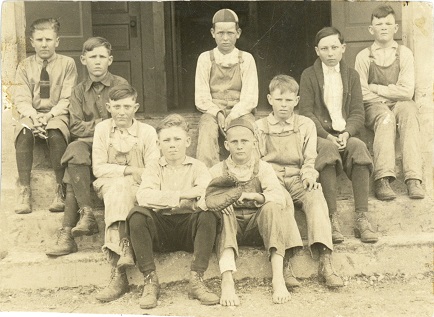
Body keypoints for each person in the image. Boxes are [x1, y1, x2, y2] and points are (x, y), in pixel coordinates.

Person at [256, 75, 343, 288]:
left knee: (315, 195)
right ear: (269, 99)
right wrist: (270, 183)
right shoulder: (259, 126)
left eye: (288, 100)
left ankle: (325, 260)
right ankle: (285, 262)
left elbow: (309, 158)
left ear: (296, 100)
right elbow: (257, 162)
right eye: (279, 100)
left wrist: (309, 177)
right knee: (281, 202)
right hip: (272, 178)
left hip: (297, 175)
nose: (283, 105)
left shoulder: (305, 124)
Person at [126, 114, 220, 309]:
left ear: (187, 141)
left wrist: (164, 198)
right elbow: (144, 197)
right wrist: (183, 195)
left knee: (208, 213)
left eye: (177, 139)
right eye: (166, 140)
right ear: (158, 143)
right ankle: (150, 280)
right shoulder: (153, 167)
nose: (172, 145)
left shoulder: (198, 167)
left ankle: (197, 279)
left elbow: (205, 195)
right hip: (162, 230)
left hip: (189, 229)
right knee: (137, 214)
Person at [46, 37, 128, 256]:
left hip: (115, 146)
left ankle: (67, 233)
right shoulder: (79, 91)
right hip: (89, 146)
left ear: (110, 60)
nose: (97, 62)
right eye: (93, 57)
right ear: (83, 60)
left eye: (102, 57)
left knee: (72, 176)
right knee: (74, 150)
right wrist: (102, 124)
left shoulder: (120, 85)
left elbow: (123, 119)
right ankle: (87, 214)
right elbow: (75, 127)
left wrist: (97, 126)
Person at [209, 118, 302, 305]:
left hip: (257, 229)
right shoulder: (217, 170)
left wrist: (255, 196)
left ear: (254, 142)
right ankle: (227, 281)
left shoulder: (263, 168)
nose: (240, 146)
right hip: (231, 230)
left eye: (244, 141)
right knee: (223, 211)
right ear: (226, 145)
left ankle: (278, 278)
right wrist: (221, 202)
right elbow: (204, 199)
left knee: (271, 207)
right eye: (234, 142)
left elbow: (278, 196)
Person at [299, 27, 377, 243]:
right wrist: (326, 135)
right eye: (324, 48)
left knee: (359, 147)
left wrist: (347, 132)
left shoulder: (352, 75)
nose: (330, 53)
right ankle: (332, 218)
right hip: (320, 135)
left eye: (334, 47)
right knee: (327, 149)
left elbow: (357, 112)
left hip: (344, 132)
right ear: (317, 51)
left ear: (343, 48)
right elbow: (306, 112)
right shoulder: (308, 76)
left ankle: (362, 216)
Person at [90, 84, 159, 302]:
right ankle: (124, 247)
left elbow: (153, 168)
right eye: (117, 106)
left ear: (135, 107)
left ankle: (118, 273)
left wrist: (134, 176)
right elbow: (98, 168)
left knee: (125, 189)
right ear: (108, 107)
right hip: (108, 186)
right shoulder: (102, 130)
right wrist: (130, 170)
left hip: (139, 188)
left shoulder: (147, 132)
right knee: (119, 188)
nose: (122, 111)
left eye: (127, 106)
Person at [355, 4, 424, 201]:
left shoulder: (404, 54)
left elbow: (407, 91)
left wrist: (376, 88)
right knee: (385, 117)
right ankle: (382, 178)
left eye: (388, 23)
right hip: (373, 107)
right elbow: (361, 93)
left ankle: (413, 178)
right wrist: (386, 98)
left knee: (409, 111)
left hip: (398, 103)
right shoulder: (363, 57)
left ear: (396, 28)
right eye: (379, 24)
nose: (383, 27)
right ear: (371, 29)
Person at [12, 18, 77, 214]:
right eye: (39, 39)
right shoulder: (25, 66)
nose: (44, 44)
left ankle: (60, 188)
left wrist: (49, 116)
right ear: (32, 42)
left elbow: (68, 98)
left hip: (57, 113)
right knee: (23, 132)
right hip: (31, 114)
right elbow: (21, 97)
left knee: (56, 133)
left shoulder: (67, 64)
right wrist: (33, 116)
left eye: (49, 39)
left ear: (57, 41)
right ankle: (24, 189)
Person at [195, 8, 258, 167]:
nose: (225, 38)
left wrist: (233, 114)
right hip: (213, 109)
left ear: (238, 33)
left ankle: (251, 172)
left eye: (230, 33)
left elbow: (250, 97)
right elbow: (201, 97)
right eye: (220, 33)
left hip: (240, 109)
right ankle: (208, 177)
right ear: (212, 33)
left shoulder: (246, 59)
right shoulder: (205, 58)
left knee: (248, 131)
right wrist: (217, 113)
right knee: (207, 128)